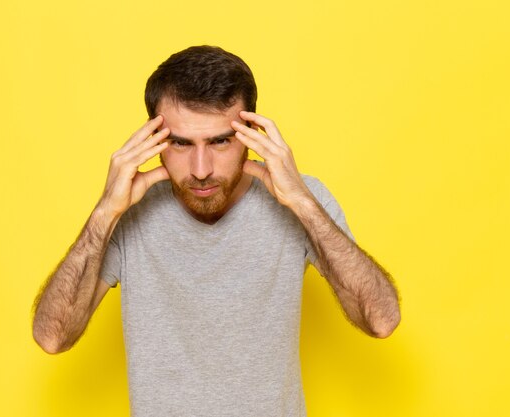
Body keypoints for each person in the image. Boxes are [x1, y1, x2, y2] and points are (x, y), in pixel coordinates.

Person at [32, 45, 400, 416]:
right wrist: (104, 213)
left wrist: (303, 204)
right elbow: (52, 337)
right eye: (180, 143)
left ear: (252, 134)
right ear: (153, 140)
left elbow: (381, 320)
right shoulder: (127, 210)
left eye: (220, 141)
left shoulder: (302, 198)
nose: (202, 168)